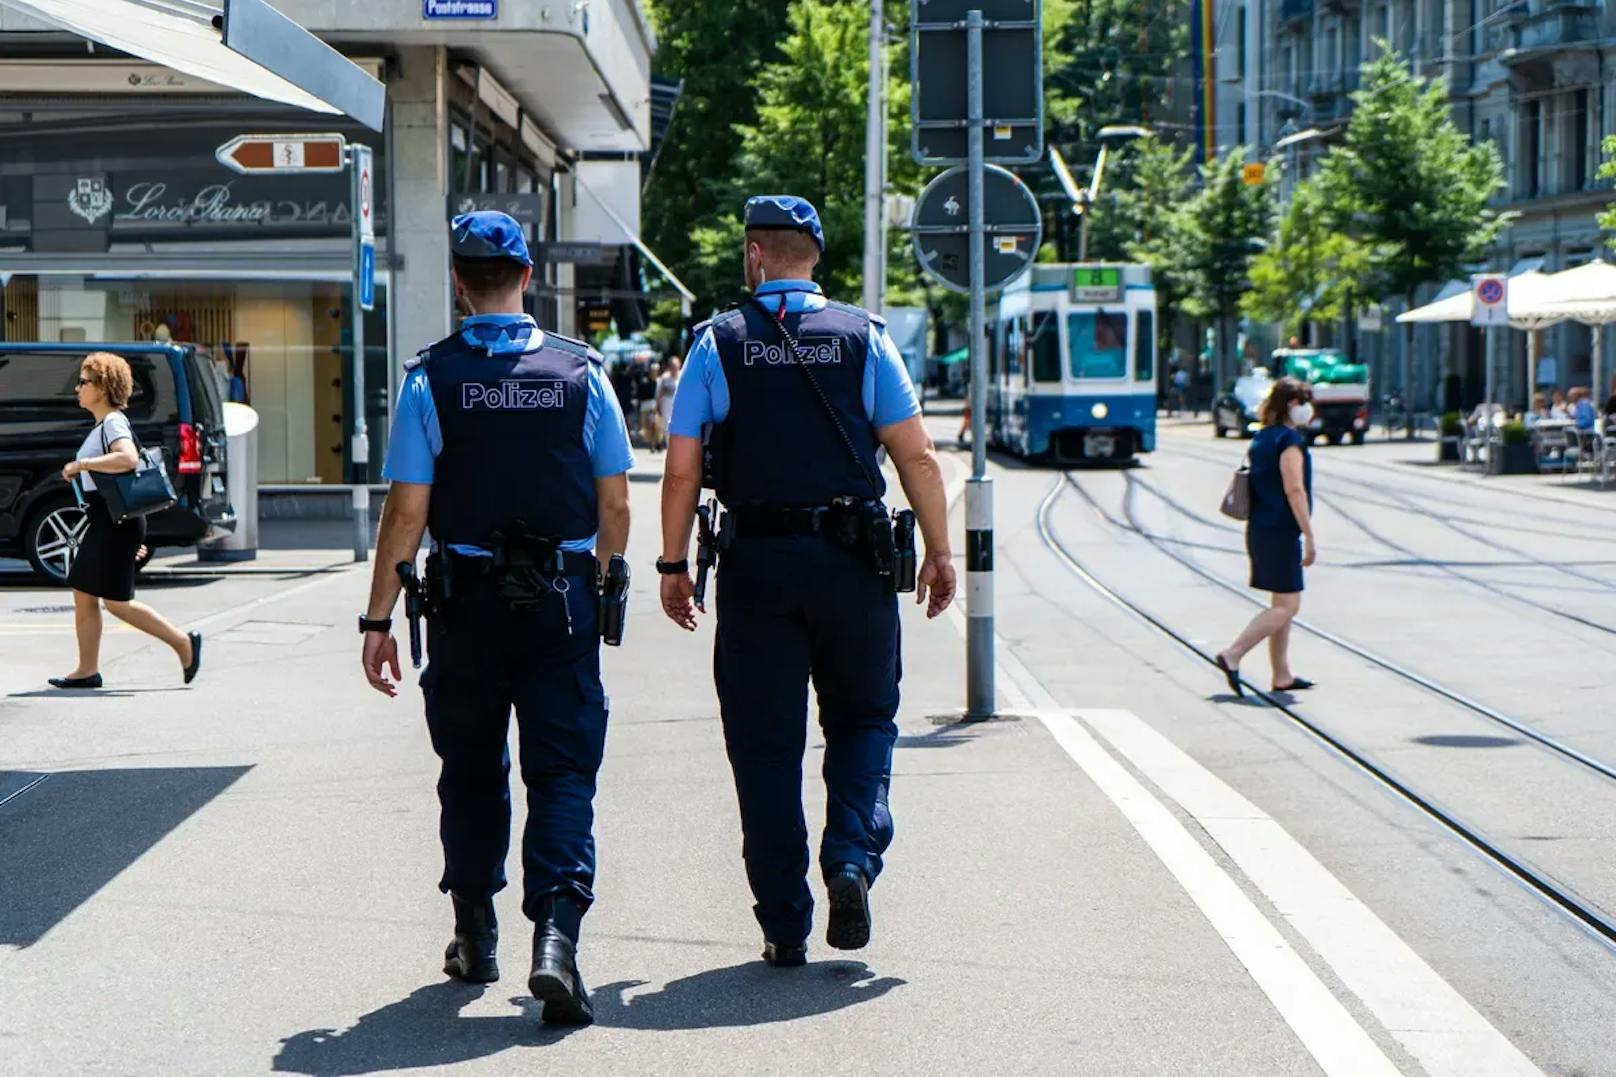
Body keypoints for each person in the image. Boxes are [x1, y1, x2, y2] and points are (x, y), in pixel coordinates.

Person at [656, 195, 956, 967]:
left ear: (754, 254)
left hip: (757, 564)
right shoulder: (866, 339)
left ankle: (785, 920)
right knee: (861, 720)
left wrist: (673, 562)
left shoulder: (716, 344)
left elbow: (683, 465)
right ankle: (851, 857)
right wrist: (939, 550)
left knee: (764, 745)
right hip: (853, 564)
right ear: (814, 257)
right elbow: (916, 456)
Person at [361, 211, 633, 1026]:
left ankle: (475, 930)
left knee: (471, 770)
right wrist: (605, 578)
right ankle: (555, 941)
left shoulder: (428, 379)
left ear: (457, 280)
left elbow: (407, 512)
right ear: (528, 275)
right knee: (562, 774)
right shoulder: (583, 372)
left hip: (466, 606)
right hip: (560, 601)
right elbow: (615, 499)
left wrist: (377, 620)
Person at [49, 352, 203, 691]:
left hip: (113, 525)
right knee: (85, 592)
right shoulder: (104, 424)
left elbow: (127, 459)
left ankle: (183, 644)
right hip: (110, 522)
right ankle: (86, 670)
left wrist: (82, 465)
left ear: (103, 388)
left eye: (85, 381)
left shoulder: (113, 423)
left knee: (115, 602)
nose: (77, 388)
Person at [1216, 376, 1316, 698]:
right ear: (1291, 405)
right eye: (1304, 402)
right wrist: (1309, 534)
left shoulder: (1261, 438)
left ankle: (1282, 674)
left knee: (1280, 603)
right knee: (1287, 606)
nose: (1308, 409)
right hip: (1281, 530)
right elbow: (1294, 489)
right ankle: (1233, 653)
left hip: (1260, 528)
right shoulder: (1288, 441)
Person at [653, 355, 681, 453]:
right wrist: (658, 406)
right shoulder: (664, 378)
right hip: (666, 403)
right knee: (667, 425)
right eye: (672, 366)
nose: (674, 368)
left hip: (678, 404)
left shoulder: (682, 376)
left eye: (675, 366)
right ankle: (669, 445)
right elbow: (659, 393)